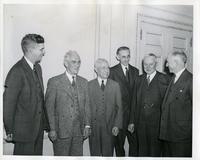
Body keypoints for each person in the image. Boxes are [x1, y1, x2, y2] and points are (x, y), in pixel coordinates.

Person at [3, 34, 49, 155]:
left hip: (38, 131)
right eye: (41, 49)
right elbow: (8, 104)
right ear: (30, 50)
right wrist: (9, 130)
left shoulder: (38, 68)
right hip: (23, 133)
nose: (44, 52)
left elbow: (40, 98)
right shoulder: (16, 71)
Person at [45, 50, 91, 156]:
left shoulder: (84, 82)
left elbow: (87, 106)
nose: (77, 65)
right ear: (66, 63)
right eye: (74, 62)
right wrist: (52, 129)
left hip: (79, 133)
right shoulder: (54, 82)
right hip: (60, 132)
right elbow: (49, 108)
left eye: (79, 62)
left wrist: (87, 126)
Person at [128, 53, 170, 156]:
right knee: (141, 152)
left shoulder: (164, 79)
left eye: (151, 64)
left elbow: (168, 105)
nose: (147, 67)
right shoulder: (138, 79)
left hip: (157, 125)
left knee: (155, 152)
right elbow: (134, 101)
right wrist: (131, 121)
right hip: (140, 123)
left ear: (156, 64)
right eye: (145, 64)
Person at [159, 51, 192, 157]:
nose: (166, 65)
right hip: (168, 134)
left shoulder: (191, 80)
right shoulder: (173, 78)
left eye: (168, 62)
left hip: (181, 137)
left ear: (177, 63)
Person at [88, 58, 123, 156]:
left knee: (108, 154)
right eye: (103, 68)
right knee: (95, 154)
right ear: (96, 69)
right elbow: (86, 108)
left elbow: (119, 107)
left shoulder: (115, 85)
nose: (107, 70)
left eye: (108, 68)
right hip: (94, 128)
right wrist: (87, 125)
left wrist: (116, 125)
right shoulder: (89, 85)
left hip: (110, 127)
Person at [109, 46, 139, 156]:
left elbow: (136, 95)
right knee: (119, 148)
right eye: (123, 57)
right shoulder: (112, 71)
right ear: (117, 57)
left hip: (132, 117)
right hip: (119, 117)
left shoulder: (136, 71)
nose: (126, 59)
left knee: (135, 147)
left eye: (128, 56)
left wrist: (133, 119)